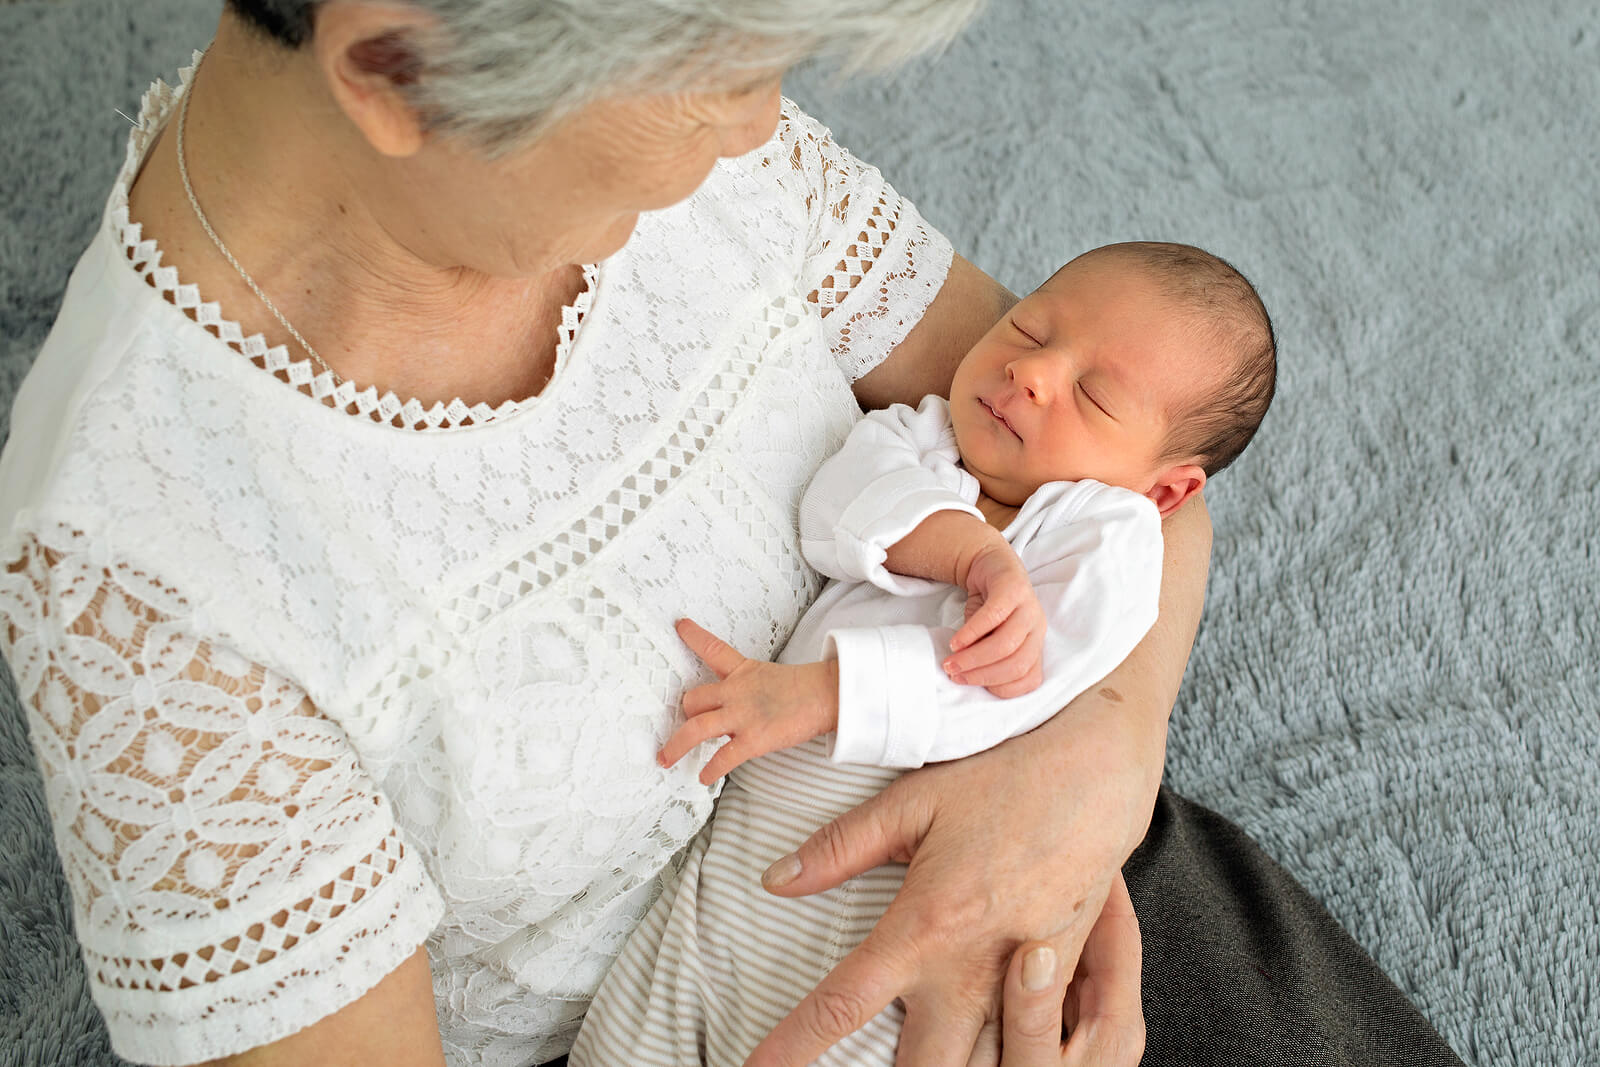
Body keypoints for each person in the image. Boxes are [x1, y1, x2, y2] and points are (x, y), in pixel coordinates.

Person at [0, 1, 1466, 1066]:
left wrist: (1100, 752)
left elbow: (1134, 473)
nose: (765, 124)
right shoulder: (143, 579)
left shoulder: (694, 143)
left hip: (1069, 861)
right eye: (722, 77)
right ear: (400, 65)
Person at [570, 241, 1272, 1066]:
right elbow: (837, 512)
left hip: (891, 913)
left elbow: (1009, 685)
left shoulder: (1106, 539)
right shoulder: (923, 435)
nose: (1030, 372)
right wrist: (967, 552)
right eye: (1028, 327)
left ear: (1165, 492)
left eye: (1094, 395)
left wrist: (829, 694)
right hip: (725, 892)